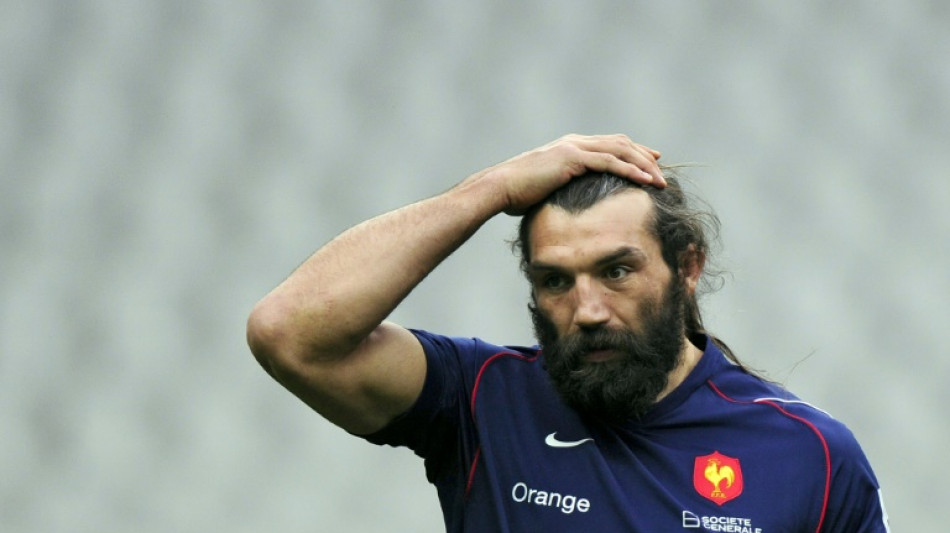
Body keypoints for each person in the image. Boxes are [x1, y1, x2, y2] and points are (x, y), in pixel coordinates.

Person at [246, 134, 889, 531]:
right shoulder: (481, 399)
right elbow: (287, 331)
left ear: (688, 267)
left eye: (616, 271)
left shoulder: (811, 455)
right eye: (555, 280)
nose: (587, 310)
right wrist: (491, 189)